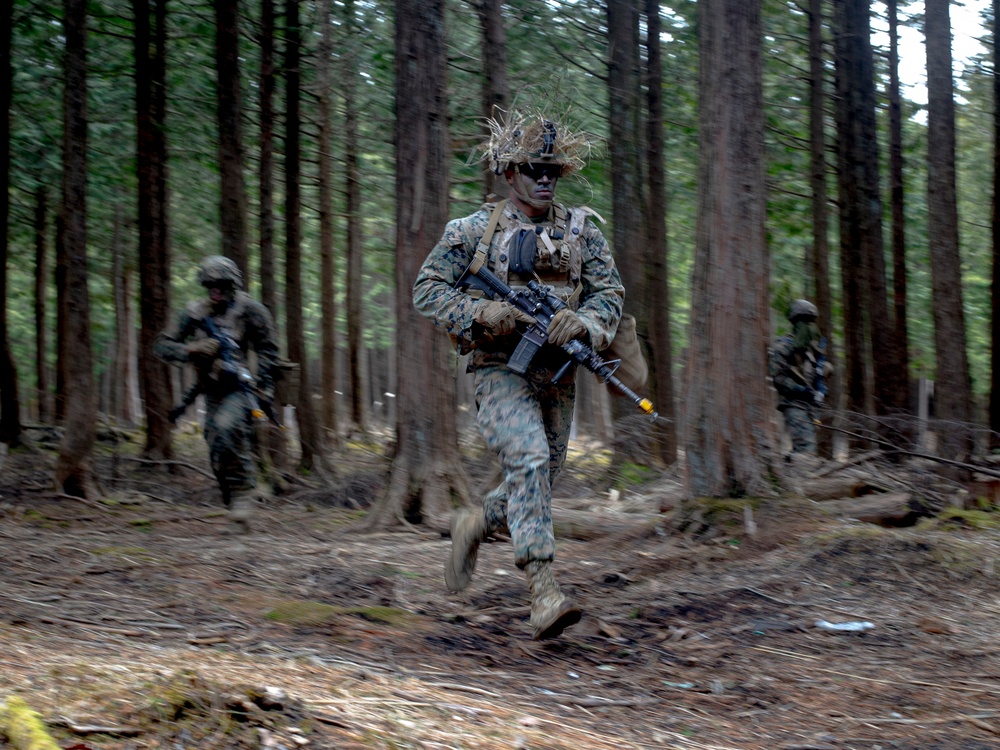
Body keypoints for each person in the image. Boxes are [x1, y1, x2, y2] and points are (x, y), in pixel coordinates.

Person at [412, 109, 624, 640]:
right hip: (498, 369)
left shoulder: (582, 234)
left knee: (539, 483)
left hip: (559, 372)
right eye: (534, 168)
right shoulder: (470, 233)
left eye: (553, 170)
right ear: (509, 172)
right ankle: (543, 591)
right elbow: (427, 290)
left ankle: (475, 523)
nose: (545, 178)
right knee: (528, 460)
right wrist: (481, 314)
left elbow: (610, 294)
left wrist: (589, 323)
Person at [155, 255, 279, 532]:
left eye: (221, 284)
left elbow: (269, 350)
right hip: (209, 389)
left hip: (241, 389)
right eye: (210, 285)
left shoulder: (251, 311)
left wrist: (264, 387)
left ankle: (243, 501)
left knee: (227, 428)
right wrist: (191, 349)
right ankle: (234, 506)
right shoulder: (194, 313)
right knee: (216, 447)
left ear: (232, 284)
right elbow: (162, 346)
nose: (215, 290)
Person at [768, 299, 832, 455]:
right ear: (796, 323)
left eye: (811, 322)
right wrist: (801, 389)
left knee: (805, 448)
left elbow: (816, 373)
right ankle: (800, 476)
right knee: (806, 448)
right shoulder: (782, 347)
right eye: (805, 321)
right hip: (793, 404)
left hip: (810, 406)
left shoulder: (810, 349)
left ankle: (789, 469)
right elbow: (778, 379)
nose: (810, 326)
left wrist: (821, 383)